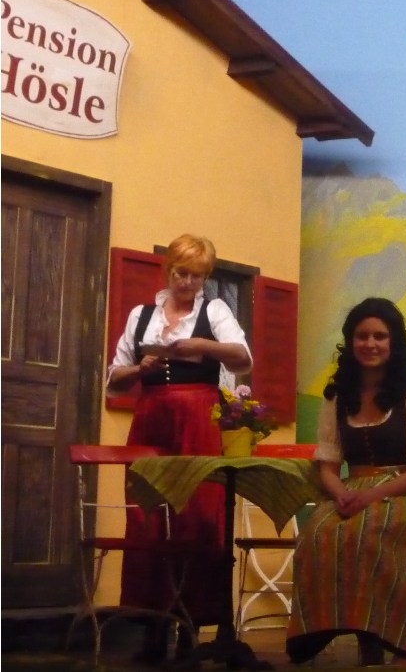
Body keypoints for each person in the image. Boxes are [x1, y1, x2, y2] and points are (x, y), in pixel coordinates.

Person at [107, 233, 253, 661]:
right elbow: (114, 379)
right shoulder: (141, 316)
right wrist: (140, 368)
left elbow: (243, 358)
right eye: (181, 273)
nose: (187, 282)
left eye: (197, 276)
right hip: (151, 420)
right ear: (167, 270)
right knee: (148, 516)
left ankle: (192, 624)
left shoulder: (214, 311)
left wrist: (202, 346)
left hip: (198, 421)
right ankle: (152, 626)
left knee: (197, 516)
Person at [286, 297, 406, 667]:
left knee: (371, 532)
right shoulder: (338, 398)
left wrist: (372, 495)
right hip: (351, 490)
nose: (370, 343)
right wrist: (342, 493)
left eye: (380, 336)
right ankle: (358, 632)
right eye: (362, 336)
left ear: (394, 342)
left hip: (404, 492)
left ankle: (405, 643)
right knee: (319, 534)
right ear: (350, 342)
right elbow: (328, 466)